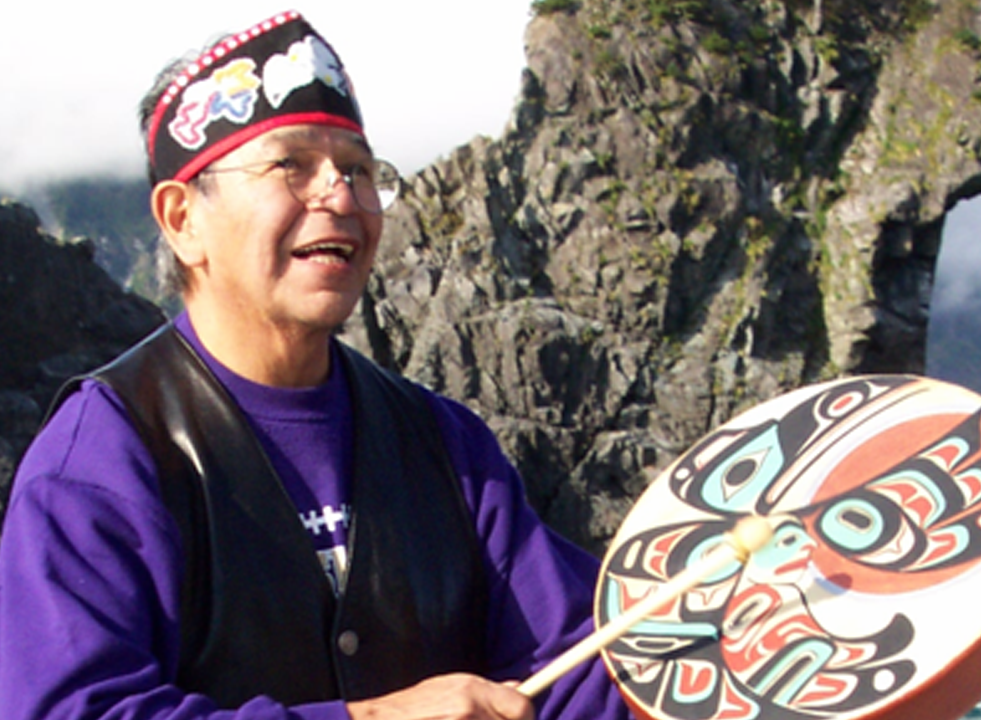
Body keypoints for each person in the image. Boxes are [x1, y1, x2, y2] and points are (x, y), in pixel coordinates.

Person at [0, 11, 633, 720]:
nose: (340, 196)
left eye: (358, 170)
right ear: (183, 220)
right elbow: (73, 709)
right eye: (291, 166)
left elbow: (582, 661)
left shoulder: (444, 442)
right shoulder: (102, 460)